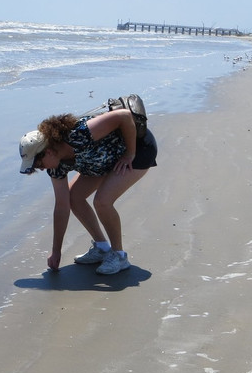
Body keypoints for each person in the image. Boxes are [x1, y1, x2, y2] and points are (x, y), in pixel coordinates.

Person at [19, 105, 157, 274]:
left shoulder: (80, 134)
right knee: (73, 198)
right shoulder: (56, 167)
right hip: (102, 161)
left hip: (137, 151)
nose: (39, 169)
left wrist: (130, 153)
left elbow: (124, 116)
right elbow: (62, 207)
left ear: (47, 152)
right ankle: (102, 248)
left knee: (102, 201)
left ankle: (120, 256)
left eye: (37, 164)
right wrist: (56, 251)